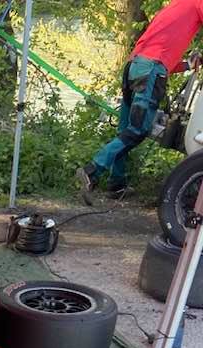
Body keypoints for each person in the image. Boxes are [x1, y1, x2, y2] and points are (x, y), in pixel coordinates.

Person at [77, 0, 203, 204]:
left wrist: (188, 64)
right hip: (150, 70)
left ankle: (116, 184)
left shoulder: (176, 7)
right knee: (136, 131)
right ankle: (92, 171)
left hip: (134, 67)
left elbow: (164, 62)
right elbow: (157, 65)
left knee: (125, 130)